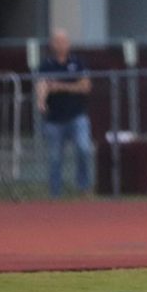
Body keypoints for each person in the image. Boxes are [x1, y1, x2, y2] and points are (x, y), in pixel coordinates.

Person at [36, 28, 94, 198]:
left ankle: (84, 186)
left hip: (77, 116)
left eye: (64, 41)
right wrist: (41, 101)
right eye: (57, 41)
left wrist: (60, 86)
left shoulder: (78, 63)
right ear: (52, 44)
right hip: (54, 119)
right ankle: (55, 192)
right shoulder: (46, 65)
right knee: (55, 157)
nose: (61, 45)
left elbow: (85, 86)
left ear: (68, 44)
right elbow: (42, 85)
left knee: (83, 148)